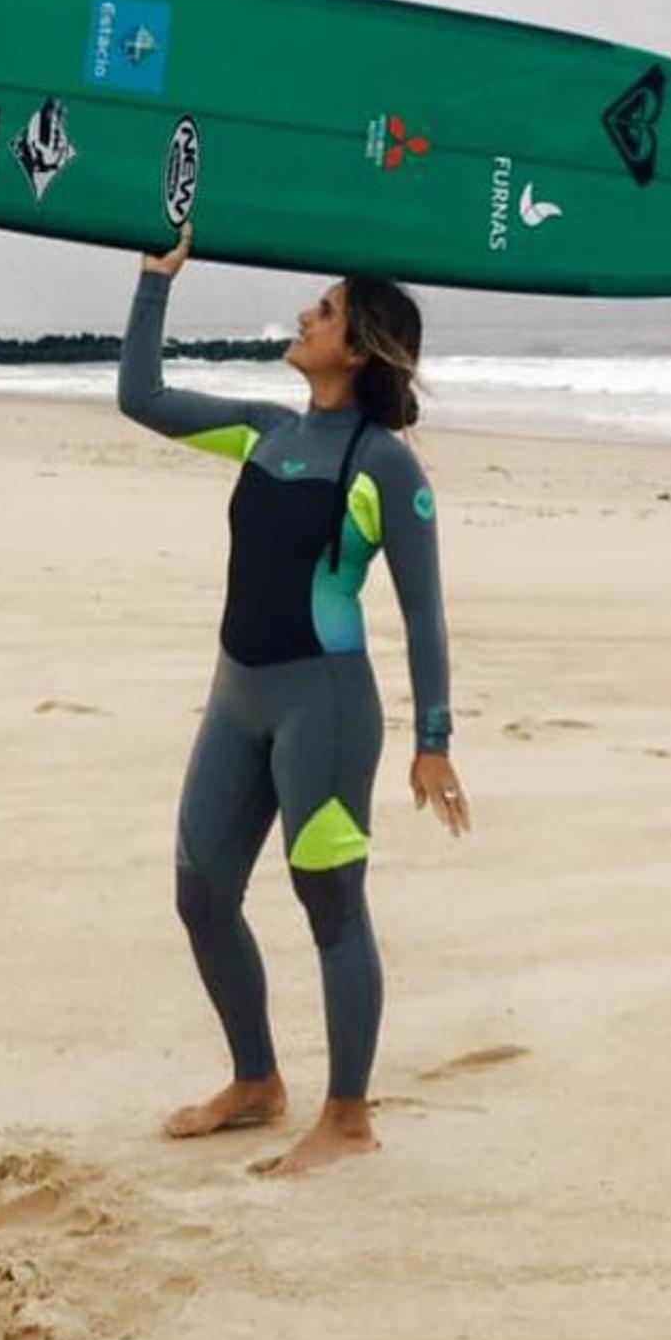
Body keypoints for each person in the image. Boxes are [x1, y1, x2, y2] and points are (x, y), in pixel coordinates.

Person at [118, 221, 469, 1177]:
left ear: (356, 348)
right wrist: (157, 278)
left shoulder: (384, 466)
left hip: (326, 709)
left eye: (323, 310)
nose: (303, 315)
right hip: (236, 697)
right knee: (200, 892)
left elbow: (425, 614)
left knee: (331, 904)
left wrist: (434, 740)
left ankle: (347, 1116)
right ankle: (257, 1081)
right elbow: (140, 396)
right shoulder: (269, 433)